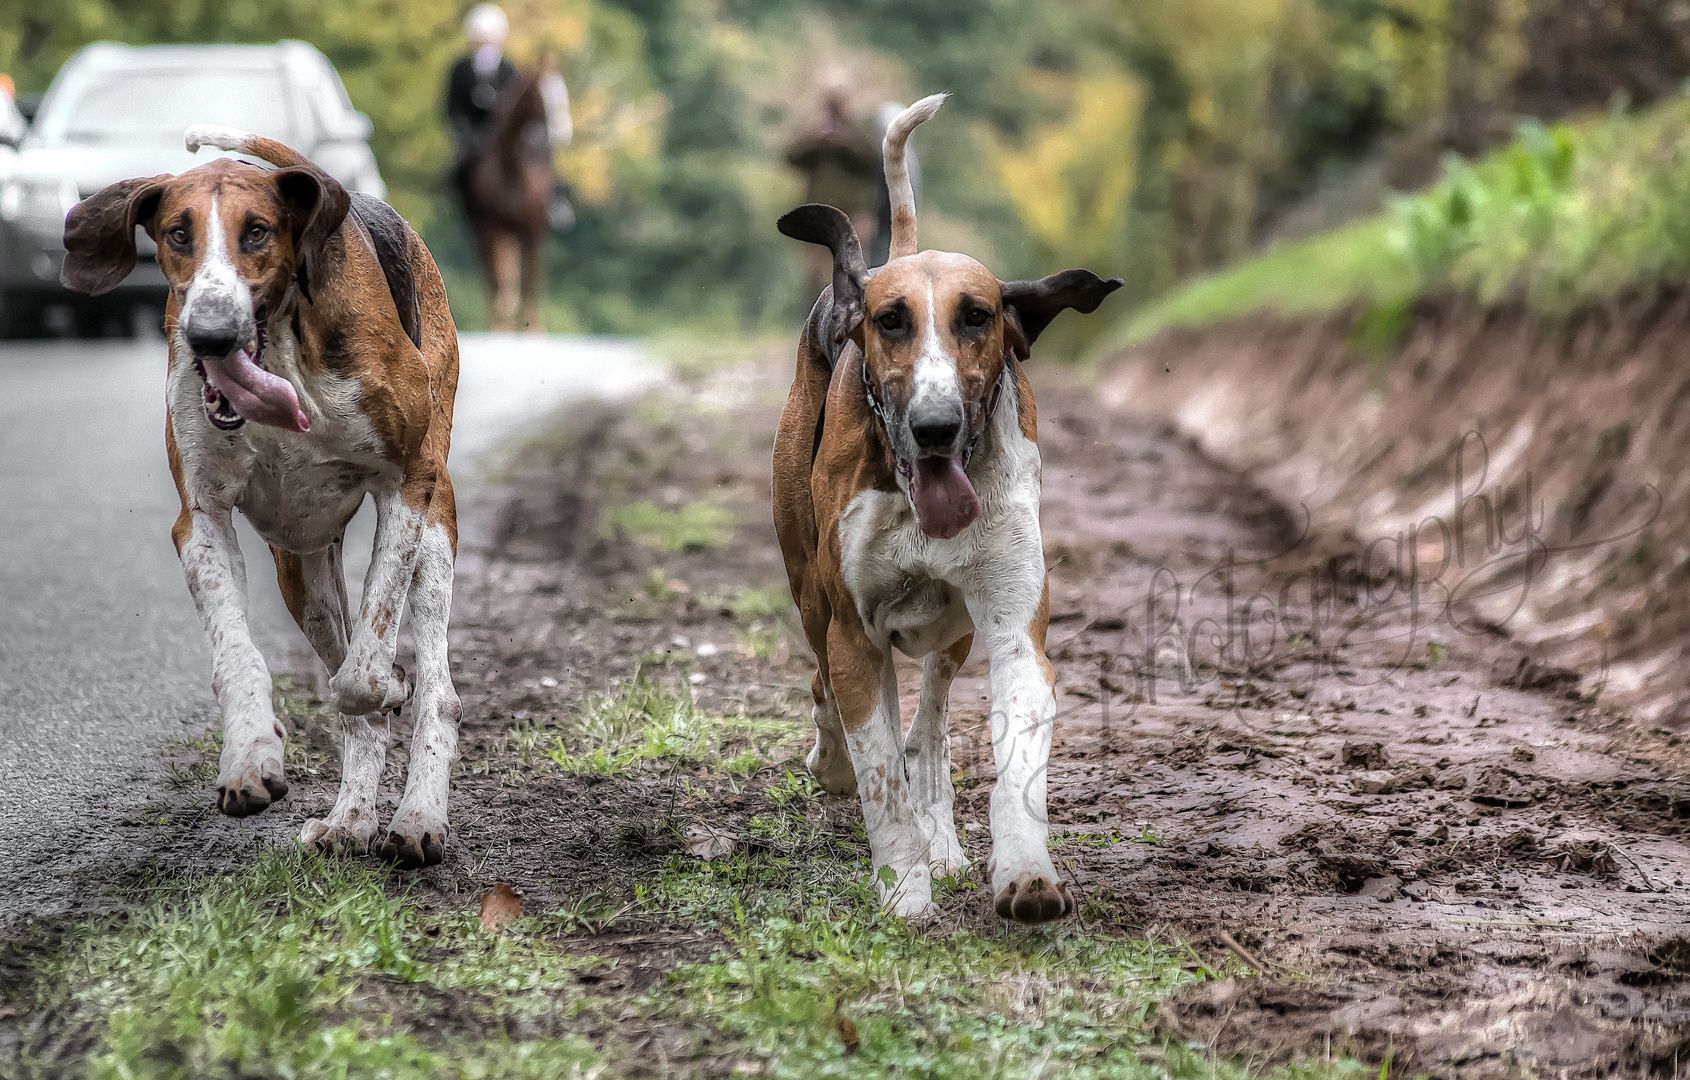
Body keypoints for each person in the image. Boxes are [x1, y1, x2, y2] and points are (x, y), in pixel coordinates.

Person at [445, 4, 574, 231]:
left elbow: (515, 107)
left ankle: (553, 203)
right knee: (459, 167)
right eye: (481, 39)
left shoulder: (508, 69)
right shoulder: (461, 69)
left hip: (504, 134)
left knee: (540, 159)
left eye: (490, 39)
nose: (485, 45)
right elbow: (453, 106)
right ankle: (466, 212)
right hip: (474, 134)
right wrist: (465, 132)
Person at [785, 74, 883, 293]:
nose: (834, 103)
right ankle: (814, 319)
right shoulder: (815, 127)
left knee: (855, 266)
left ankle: (859, 317)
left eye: (838, 98)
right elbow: (791, 157)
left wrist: (845, 142)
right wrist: (813, 141)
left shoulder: (863, 127)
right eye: (831, 98)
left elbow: (875, 160)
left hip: (856, 209)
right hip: (819, 209)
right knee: (815, 271)